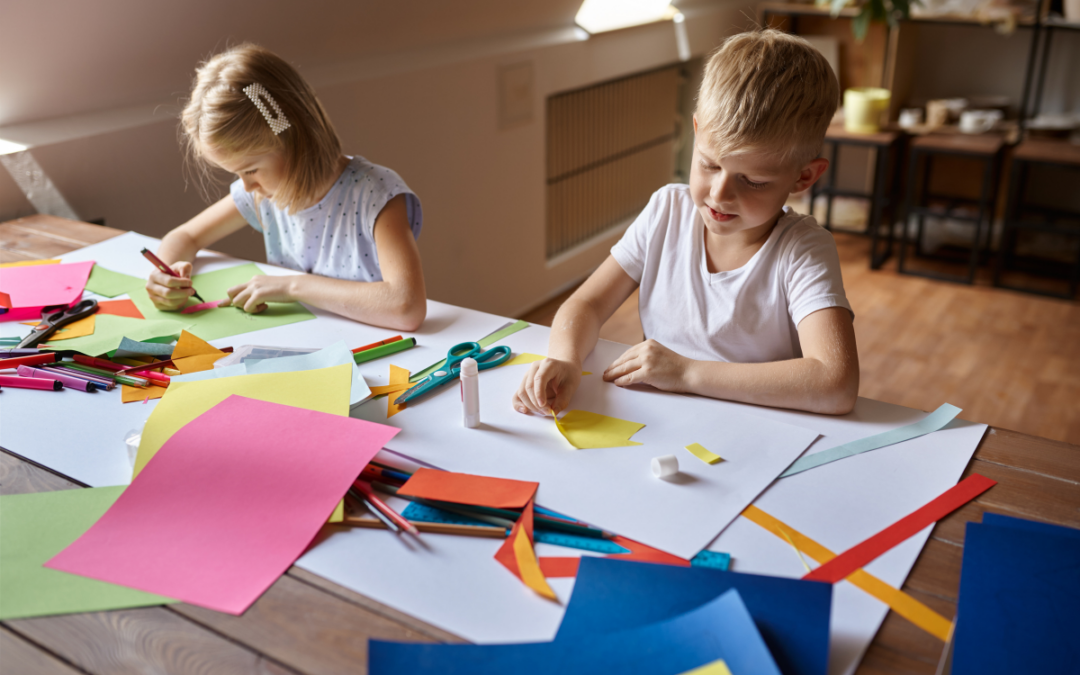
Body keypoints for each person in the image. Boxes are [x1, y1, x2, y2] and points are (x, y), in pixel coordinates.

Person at [513, 29, 859, 417]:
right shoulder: (666, 211)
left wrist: (688, 373)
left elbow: (836, 384)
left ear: (804, 177)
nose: (719, 193)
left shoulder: (803, 251)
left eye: (754, 181)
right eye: (709, 164)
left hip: (753, 438)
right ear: (696, 133)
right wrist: (566, 359)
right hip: (660, 424)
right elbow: (587, 304)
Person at [145, 44, 426, 331]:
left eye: (251, 169)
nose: (246, 185)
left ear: (294, 139)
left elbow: (406, 307)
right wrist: (165, 275)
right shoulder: (262, 193)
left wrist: (293, 286)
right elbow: (184, 237)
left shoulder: (375, 196)